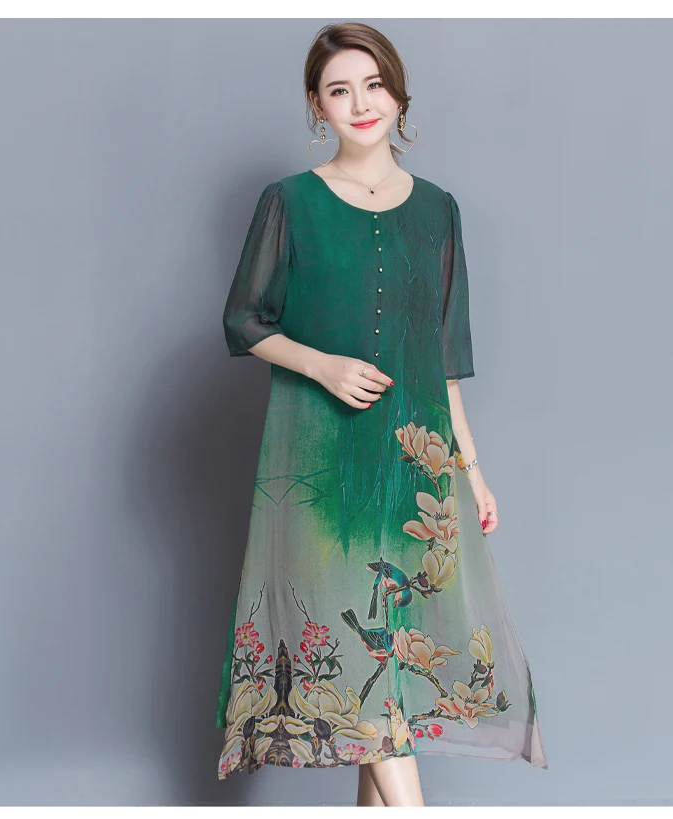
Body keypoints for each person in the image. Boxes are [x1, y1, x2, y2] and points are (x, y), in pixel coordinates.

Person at [215, 21, 549, 807]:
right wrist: (322, 364)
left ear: (399, 95)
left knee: (390, 670)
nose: (361, 103)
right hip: (322, 467)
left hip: (413, 466)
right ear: (316, 105)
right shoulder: (289, 202)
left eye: (374, 85)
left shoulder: (438, 210)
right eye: (340, 90)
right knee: (363, 665)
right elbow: (243, 320)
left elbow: (443, 358)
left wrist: (473, 470)